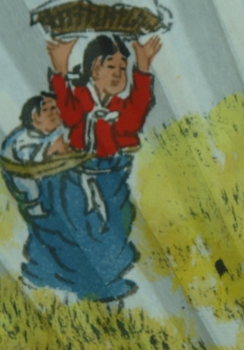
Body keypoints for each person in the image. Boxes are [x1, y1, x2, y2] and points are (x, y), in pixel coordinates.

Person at [14, 33, 162, 302]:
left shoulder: (118, 106)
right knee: (82, 225)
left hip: (113, 173)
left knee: (120, 219)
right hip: (78, 173)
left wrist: (142, 69)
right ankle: (91, 283)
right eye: (111, 66)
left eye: (123, 69)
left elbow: (135, 117)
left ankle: (107, 278)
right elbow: (68, 111)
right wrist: (60, 67)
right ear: (94, 69)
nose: (118, 74)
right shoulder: (80, 98)